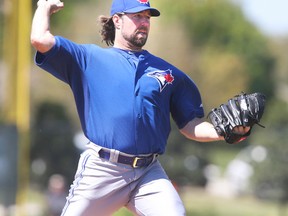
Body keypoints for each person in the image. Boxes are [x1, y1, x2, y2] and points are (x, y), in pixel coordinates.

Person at [31, 0, 250, 215]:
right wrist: (43, 8)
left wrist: (223, 132)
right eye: (137, 16)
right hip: (102, 169)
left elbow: (190, 125)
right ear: (117, 20)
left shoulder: (168, 74)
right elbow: (40, 40)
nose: (144, 22)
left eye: (147, 17)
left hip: (147, 172)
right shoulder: (88, 59)